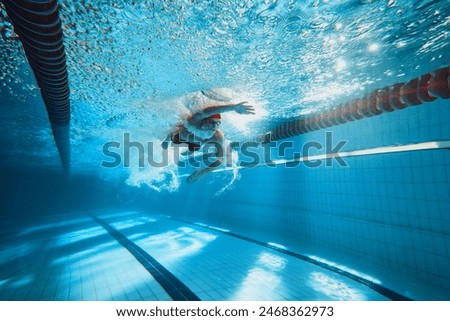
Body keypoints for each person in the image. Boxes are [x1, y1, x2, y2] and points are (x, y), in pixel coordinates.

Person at [161, 100, 255, 183]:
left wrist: (202, 173)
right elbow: (206, 112)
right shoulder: (194, 122)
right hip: (180, 136)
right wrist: (233, 107)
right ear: (204, 121)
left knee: (187, 153)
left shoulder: (217, 137)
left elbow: (220, 159)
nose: (215, 127)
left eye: (218, 123)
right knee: (177, 138)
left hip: (196, 144)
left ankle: (195, 168)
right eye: (212, 122)